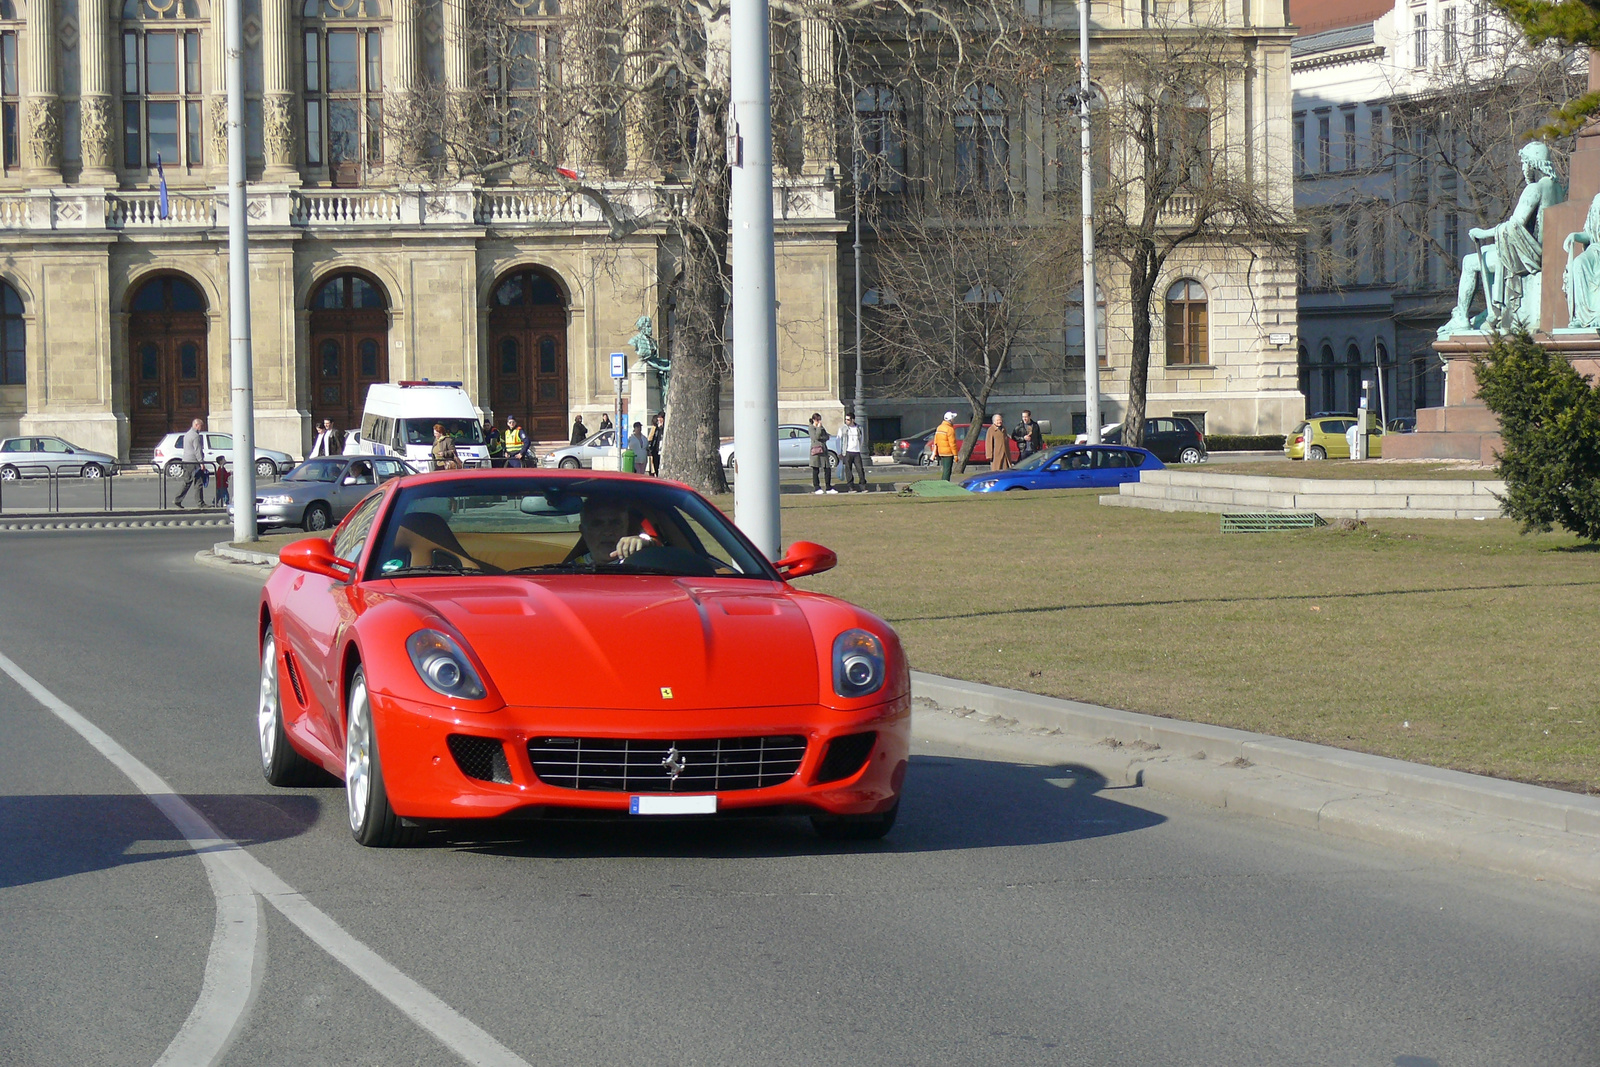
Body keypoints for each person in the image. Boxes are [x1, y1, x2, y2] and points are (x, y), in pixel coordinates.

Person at [1439, 141, 1565, 337]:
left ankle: (1462, 318)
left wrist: (1484, 233)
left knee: (1470, 262)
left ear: (1533, 164)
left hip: (1528, 255)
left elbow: (1515, 224)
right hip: (1543, 251)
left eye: (1525, 163)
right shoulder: (1558, 189)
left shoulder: (1535, 189)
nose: (1524, 168)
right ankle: (1491, 313)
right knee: (1489, 255)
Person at [571, 496, 653, 565]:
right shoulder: (570, 570)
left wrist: (649, 545)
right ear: (583, 532)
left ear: (627, 526)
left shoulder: (642, 563)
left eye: (615, 523)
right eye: (597, 524)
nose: (607, 532)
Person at [173, 417, 207, 508]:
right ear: (196, 425)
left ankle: (177, 499)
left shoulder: (187, 434)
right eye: (201, 426)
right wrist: (201, 462)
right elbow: (197, 450)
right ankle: (200, 503)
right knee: (198, 482)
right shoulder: (195, 436)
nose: (202, 428)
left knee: (187, 481)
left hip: (186, 461)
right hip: (193, 462)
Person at [808, 412, 837, 494]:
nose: (819, 421)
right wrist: (818, 428)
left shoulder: (821, 427)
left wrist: (821, 434)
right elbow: (815, 437)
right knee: (815, 469)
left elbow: (827, 436)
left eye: (820, 419)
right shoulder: (811, 428)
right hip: (816, 451)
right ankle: (817, 487)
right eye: (817, 420)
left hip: (823, 450)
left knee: (827, 469)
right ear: (814, 420)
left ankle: (828, 487)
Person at [840, 412, 868, 492]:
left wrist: (860, 447)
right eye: (845, 419)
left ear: (853, 420)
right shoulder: (844, 428)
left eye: (848, 420)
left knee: (860, 469)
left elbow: (862, 438)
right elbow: (840, 440)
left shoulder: (858, 428)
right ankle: (851, 486)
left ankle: (863, 485)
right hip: (848, 451)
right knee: (848, 470)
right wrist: (841, 452)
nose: (846, 421)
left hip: (856, 452)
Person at [932, 411, 959, 481]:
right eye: (953, 418)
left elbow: (936, 440)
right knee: (947, 470)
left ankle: (943, 483)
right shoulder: (950, 429)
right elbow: (952, 443)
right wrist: (955, 455)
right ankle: (945, 484)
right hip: (948, 452)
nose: (954, 420)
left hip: (941, 452)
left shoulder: (939, 427)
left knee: (945, 469)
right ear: (950, 420)